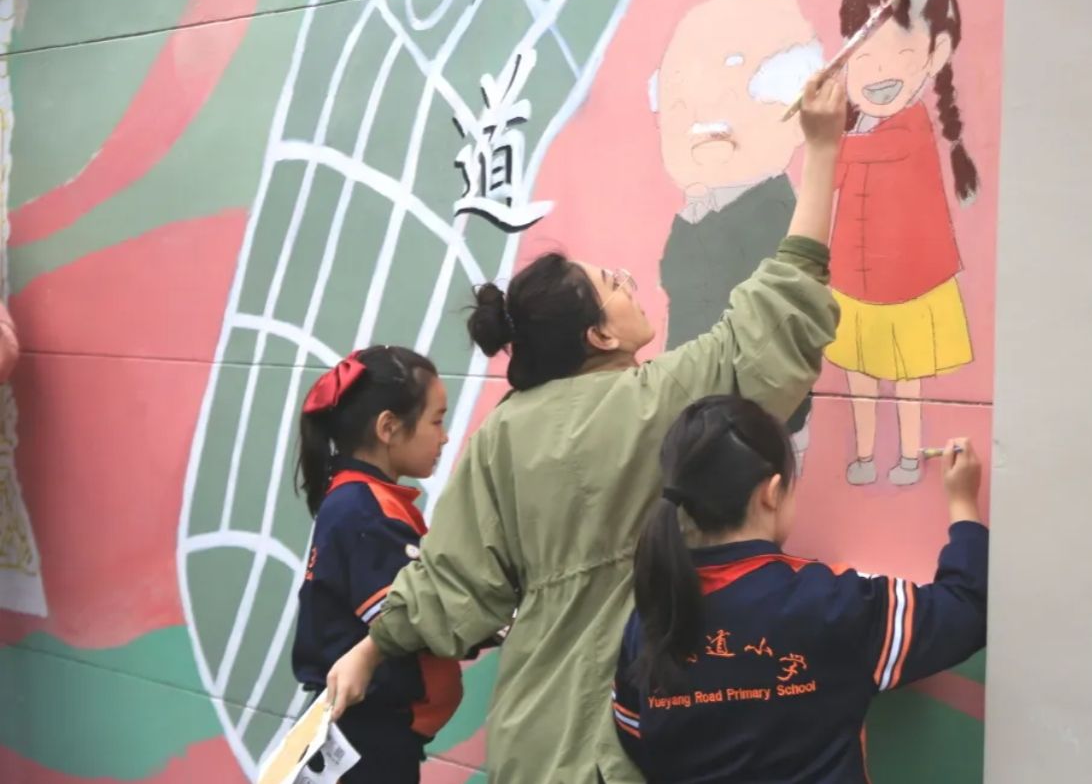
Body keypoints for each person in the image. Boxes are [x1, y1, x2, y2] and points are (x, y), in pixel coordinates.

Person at [324, 72, 849, 783]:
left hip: (535, 739)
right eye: (614, 283)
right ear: (599, 335)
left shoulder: (501, 436)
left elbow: (453, 585)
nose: (629, 281)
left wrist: (371, 647)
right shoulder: (660, 401)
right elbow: (776, 320)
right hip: (646, 732)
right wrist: (822, 149)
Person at [612, 395, 987, 782]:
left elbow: (634, 732)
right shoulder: (831, 603)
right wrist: (963, 504)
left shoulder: (653, 616)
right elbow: (967, 609)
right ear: (772, 492)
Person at [291, 346, 495, 783]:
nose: (444, 437)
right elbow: (409, 619)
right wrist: (493, 620)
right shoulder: (364, 510)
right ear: (388, 427)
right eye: (436, 421)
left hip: (371, 732)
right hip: (366, 737)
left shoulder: (365, 499)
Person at [650, 0, 824, 471]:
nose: (694, 113)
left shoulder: (774, 213)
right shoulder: (694, 217)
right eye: (677, 93)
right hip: (695, 420)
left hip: (756, 427)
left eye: (734, 73)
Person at [826, 0, 980, 487]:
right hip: (852, 283)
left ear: (936, 53)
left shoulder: (909, 128)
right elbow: (833, 179)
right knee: (858, 377)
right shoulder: (855, 130)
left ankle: (910, 455)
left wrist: (823, 138)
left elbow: (860, 156)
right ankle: (866, 454)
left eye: (900, 52)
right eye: (863, 55)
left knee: (907, 379)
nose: (878, 71)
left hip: (909, 288)